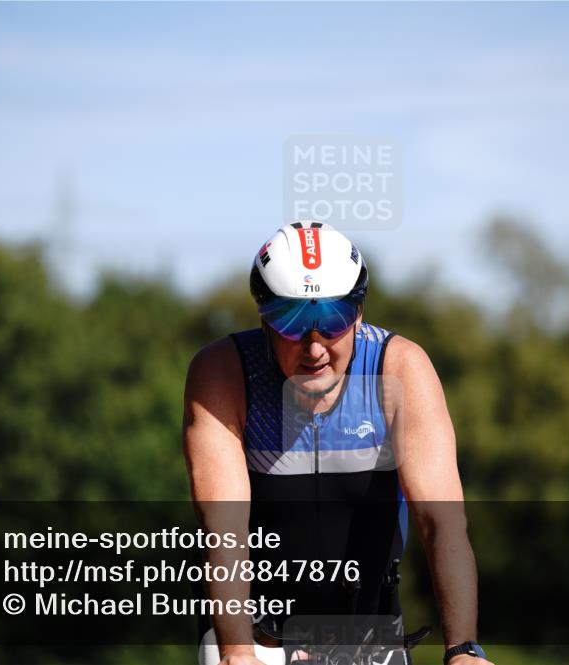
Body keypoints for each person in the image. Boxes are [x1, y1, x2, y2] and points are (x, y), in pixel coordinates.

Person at [183, 221, 493, 665]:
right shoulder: (224, 372)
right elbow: (223, 527)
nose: (314, 348)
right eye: (293, 322)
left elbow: (441, 522)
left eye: (331, 321)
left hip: (368, 635)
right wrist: (236, 650)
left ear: (358, 312)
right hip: (254, 636)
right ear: (264, 318)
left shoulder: (400, 369)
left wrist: (463, 648)